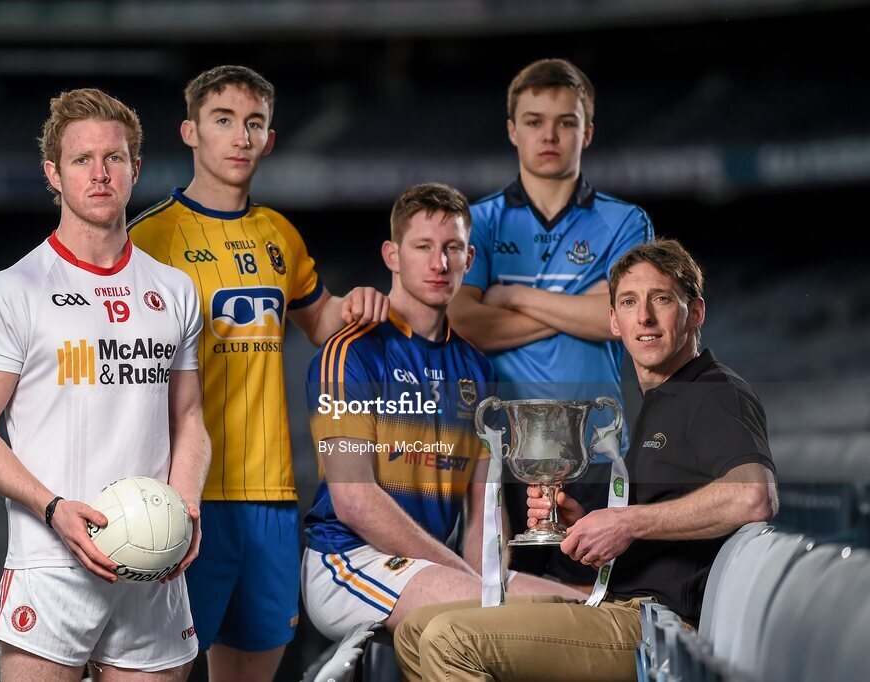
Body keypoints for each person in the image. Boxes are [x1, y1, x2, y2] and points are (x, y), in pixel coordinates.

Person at [394, 238, 779, 681]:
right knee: (414, 629)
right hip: (618, 603)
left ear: (695, 313)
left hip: (658, 629)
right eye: (630, 302)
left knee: (448, 638)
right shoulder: (661, 398)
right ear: (614, 321)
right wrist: (582, 524)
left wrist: (628, 522)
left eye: (662, 300)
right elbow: (658, 526)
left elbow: (753, 496)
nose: (645, 317)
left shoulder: (713, 392)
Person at [128, 65, 388, 681]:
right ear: (190, 131)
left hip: (271, 500)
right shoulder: (149, 239)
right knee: (156, 670)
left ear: (270, 139)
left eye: (254, 124)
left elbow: (321, 322)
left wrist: (362, 305)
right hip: (186, 500)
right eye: (224, 121)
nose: (240, 137)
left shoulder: (279, 235)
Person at [0, 88, 209, 680]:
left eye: (114, 158)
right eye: (81, 160)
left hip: (153, 560)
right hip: (52, 561)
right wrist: (54, 508)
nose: (99, 173)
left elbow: (189, 418)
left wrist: (186, 505)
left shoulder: (175, 290)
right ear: (53, 174)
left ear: (135, 169)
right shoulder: (13, 291)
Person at [302, 183, 585, 643]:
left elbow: (483, 509)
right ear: (392, 255)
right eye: (423, 247)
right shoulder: (351, 353)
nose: (440, 263)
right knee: (495, 615)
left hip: (436, 567)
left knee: (583, 609)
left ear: (469, 259)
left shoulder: (477, 368)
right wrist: (470, 581)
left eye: (453, 248)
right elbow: (354, 502)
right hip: (350, 560)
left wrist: (485, 576)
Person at [448, 58, 654, 587]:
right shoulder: (481, 221)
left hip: (596, 450)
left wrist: (514, 295)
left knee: (589, 608)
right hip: (497, 454)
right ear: (513, 131)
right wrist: (579, 307)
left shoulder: (625, 221)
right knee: (497, 608)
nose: (550, 134)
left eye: (566, 122)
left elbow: (619, 320)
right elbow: (468, 322)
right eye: (535, 120)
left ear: (587, 130)